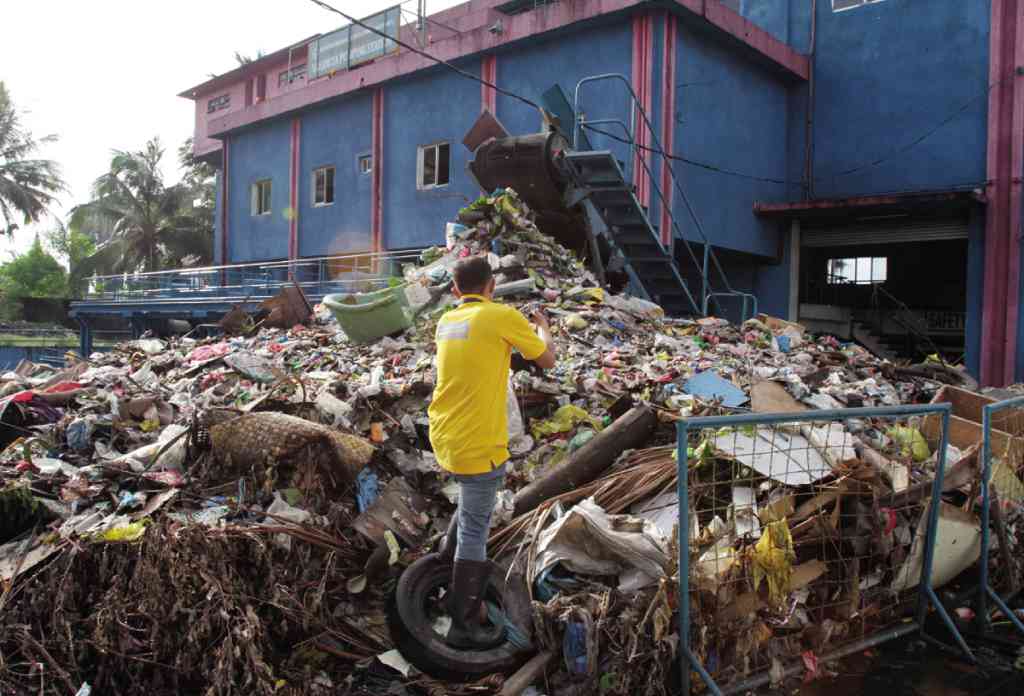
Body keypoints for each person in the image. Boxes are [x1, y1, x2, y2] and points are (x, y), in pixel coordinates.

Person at [428, 255, 556, 650]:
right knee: (476, 529)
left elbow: (481, 357)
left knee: (470, 506)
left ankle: (441, 565)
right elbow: (547, 360)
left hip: (444, 436)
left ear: (454, 291)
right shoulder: (501, 316)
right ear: (492, 287)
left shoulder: (447, 321)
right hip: (478, 442)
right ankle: (463, 621)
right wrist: (543, 329)